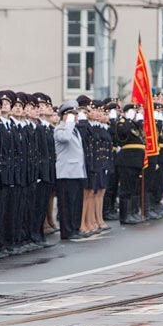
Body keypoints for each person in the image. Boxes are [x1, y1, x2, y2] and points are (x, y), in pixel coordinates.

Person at [54, 99, 87, 240]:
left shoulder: (74, 130)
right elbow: (65, 138)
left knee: (76, 203)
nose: (75, 117)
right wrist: (69, 123)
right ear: (64, 115)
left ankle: (75, 227)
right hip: (66, 173)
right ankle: (67, 231)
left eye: (76, 114)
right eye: (71, 114)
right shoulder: (60, 129)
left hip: (77, 171)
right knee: (66, 204)